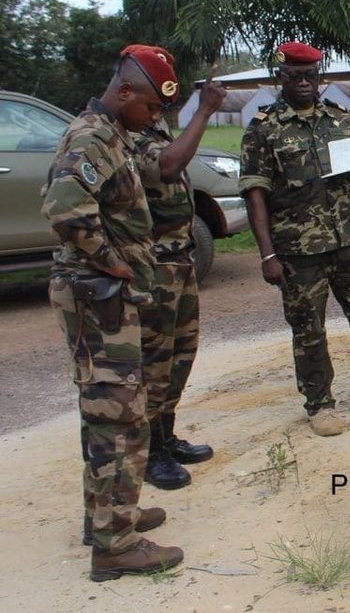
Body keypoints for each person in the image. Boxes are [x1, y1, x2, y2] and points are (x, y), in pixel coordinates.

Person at [43, 44, 184, 580]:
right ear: (125, 93)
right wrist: (116, 263)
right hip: (97, 294)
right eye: (151, 108)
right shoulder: (94, 137)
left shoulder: (113, 134)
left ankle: (104, 517)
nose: (156, 119)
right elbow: (63, 210)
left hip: (99, 293)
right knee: (120, 415)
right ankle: (115, 546)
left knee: (109, 411)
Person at [239, 41, 350, 436]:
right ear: (280, 78)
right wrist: (267, 255)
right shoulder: (263, 128)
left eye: (310, 75)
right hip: (299, 250)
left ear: (320, 77)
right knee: (308, 329)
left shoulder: (341, 119)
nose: (303, 82)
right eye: (294, 76)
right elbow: (255, 194)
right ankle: (320, 404)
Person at [133, 67, 227, 491]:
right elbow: (168, 169)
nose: (159, 110)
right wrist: (204, 111)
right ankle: (150, 452)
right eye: (156, 101)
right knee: (154, 359)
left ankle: (166, 436)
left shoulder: (153, 128)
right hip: (152, 265)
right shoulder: (127, 136)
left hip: (178, 259)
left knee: (181, 352)